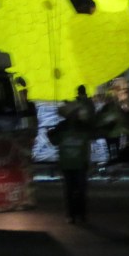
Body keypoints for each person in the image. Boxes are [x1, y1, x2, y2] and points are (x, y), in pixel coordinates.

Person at [47, 91, 95, 224]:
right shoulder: (65, 127)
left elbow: (54, 140)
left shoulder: (77, 126)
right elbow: (54, 140)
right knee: (73, 190)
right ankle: (75, 215)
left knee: (76, 190)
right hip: (70, 164)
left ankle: (77, 215)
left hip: (76, 163)